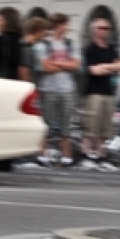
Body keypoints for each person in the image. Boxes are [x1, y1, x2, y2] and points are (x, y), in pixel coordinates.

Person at [34, 13, 80, 167]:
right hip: (49, 88)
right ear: (57, 26)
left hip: (67, 88)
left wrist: (56, 63)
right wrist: (66, 64)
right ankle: (42, 154)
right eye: (64, 25)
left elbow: (76, 65)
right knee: (46, 122)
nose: (66, 28)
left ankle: (66, 156)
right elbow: (45, 67)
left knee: (66, 122)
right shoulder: (44, 45)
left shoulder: (71, 44)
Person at [82, 17, 120, 169]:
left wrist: (105, 67)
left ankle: (101, 156)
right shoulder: (90, 49)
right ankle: (86, 154)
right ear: (94, 30)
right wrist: (110, 66)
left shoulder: (111, 49)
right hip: (94, 92)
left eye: (107, 29)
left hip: (108, 92)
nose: (105, 31)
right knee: (91, 126)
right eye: (102, 28)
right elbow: (94, 70)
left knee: (105, 128)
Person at [20, 16, 51, 85]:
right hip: (29, 85)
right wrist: (28, 87)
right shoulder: (26, 46)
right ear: (37, 31)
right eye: (43, 31)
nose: (44, 34)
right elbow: (24, 69)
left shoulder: (27, 44)